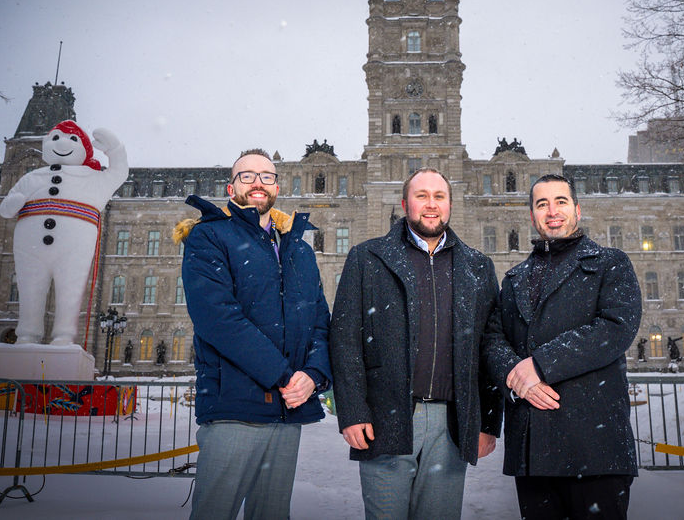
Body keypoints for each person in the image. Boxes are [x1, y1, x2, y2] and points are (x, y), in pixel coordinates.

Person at [330, 168, 503, 519]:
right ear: (406, 202)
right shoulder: (368, 259)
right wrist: (352, 412)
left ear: (450, 204)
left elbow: (488, 348)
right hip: (386, 417)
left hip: (452, 425)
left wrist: (486, 423)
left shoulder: (477, 267)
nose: (431, 205)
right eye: (422, 196)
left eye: (439, 196)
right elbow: (345, 339)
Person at [175, 149, 331, 520]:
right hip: (235, 409)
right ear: (231, 187)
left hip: (286, 411)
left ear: (277, 186)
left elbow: (321, 324)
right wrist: (284, 375)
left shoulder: (298, 249)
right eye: (247, 176)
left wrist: (313, 375)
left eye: (266, 176)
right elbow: (218, 320)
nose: (258, 182)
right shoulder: (209, 236)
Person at [484, 174, 642, 520]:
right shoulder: (514, 279)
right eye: (542, 204)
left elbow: (615, 328)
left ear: (577, 210)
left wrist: (539, 365)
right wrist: (515, 373)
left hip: (594, 448)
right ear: (532, 216)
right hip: (533, 451)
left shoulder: (610, 264)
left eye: (560, 202)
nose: (552, 211)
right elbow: (493, 339)